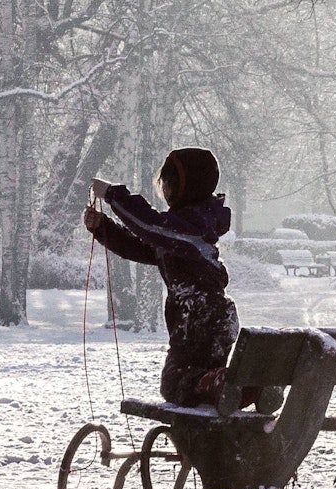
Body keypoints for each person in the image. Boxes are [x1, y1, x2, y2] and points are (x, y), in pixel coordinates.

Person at [84, 147, 237, 408]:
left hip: (197, 316)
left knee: (175, 383)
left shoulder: (190, 226)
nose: (165, 191)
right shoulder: (190, 229)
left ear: (184, 187)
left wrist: (112, 194)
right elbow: (144, 247)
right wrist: (103, 228)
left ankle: (221, 383)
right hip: (212, 317)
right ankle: (241, 388)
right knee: (200, 383)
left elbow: (149, 225)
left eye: (168, 184)